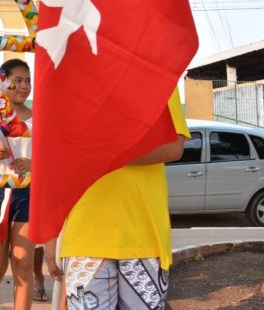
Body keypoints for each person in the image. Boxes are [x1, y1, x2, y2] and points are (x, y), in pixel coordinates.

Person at [45, 103, 189, 310]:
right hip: (86, 237)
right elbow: (57, 162)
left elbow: (173, 147)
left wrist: (99, 149)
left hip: (143, 238)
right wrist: (50, 234)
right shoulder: (76, 77)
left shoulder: (157, 74)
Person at [0, 59, 36, 309]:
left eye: (28, 81)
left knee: (22, 262)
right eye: (18, 80)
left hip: (27, 191)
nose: (24, 86)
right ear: (3, 81)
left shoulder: (39, 117)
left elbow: (54, 155)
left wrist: (34, 164)